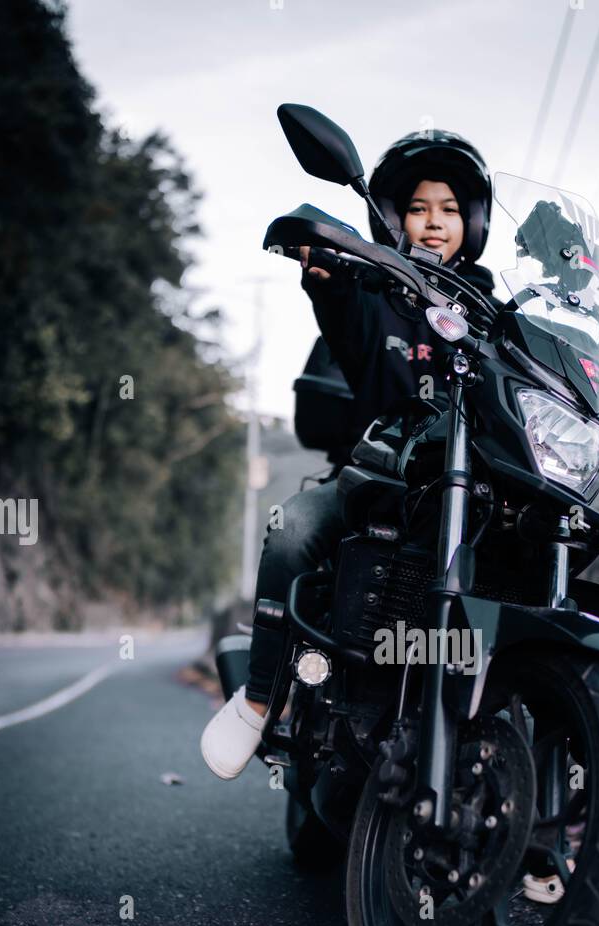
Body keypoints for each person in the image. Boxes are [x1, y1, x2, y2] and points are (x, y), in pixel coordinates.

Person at [201, 128, 499, 780]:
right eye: (419, 208)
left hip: (472, 490)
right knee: (293, 527)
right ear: (394, 216)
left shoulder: (494, 313)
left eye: (448, 209)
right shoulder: (376, 293)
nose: (433, 222)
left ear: (472, 221)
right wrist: (329, 273)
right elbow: (341, 311)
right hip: (380, 477)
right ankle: (259, 699)